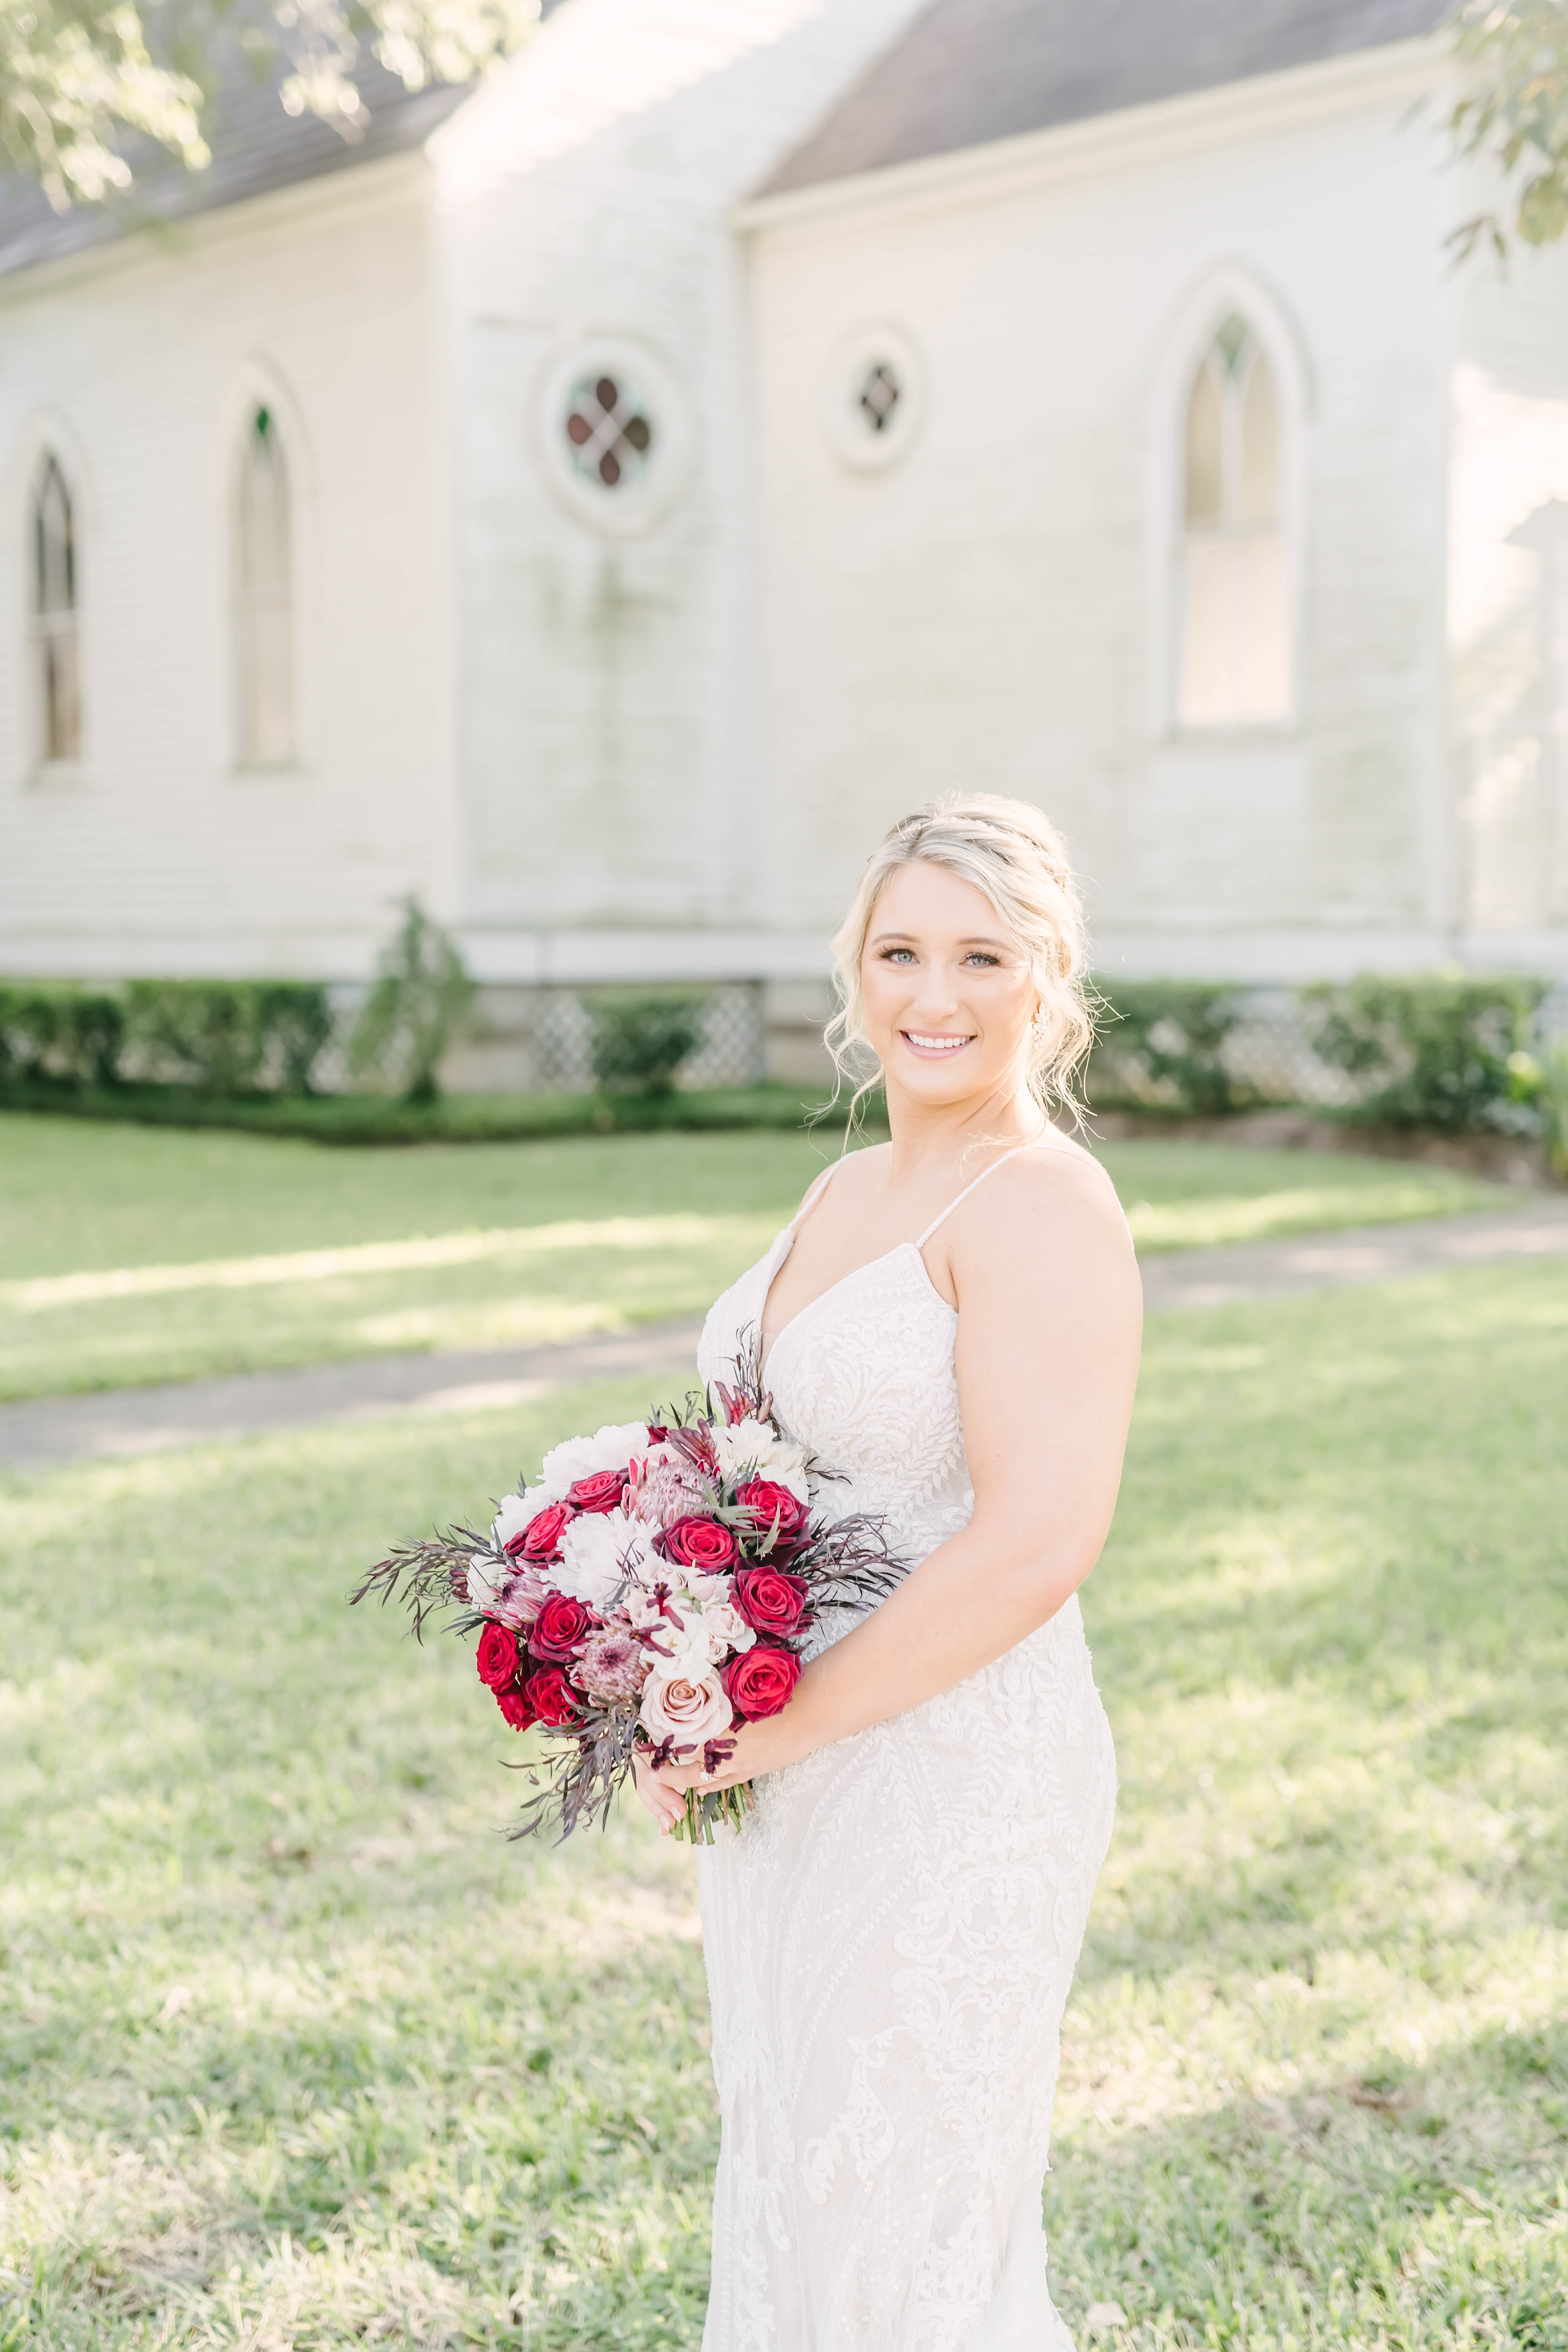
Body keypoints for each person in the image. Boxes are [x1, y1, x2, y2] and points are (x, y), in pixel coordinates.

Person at [636, 793, 1143, 2350]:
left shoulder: (1045, 1205)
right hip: (794, 1765)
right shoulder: (842, 1190)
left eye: (982, 955)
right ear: (853, 969)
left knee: (908, 2206)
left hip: (948, 1760)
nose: (935, 995)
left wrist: (780, 1722)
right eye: (900, 949)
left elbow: (1040, 1538)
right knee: (796, 2169)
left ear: (1047, 979)